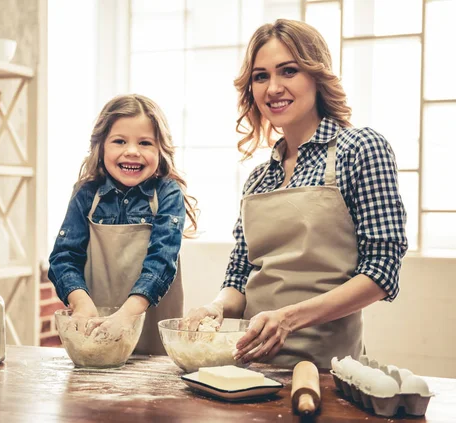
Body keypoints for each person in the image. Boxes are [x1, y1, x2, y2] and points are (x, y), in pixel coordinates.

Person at [182, 19, 408, 369]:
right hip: (253, 368)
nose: (273, 88)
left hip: (330, 370)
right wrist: (215, 307)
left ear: (316, 76)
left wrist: (287, 318)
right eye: (261, 76)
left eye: (288, 71)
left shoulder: (361, 149)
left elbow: (381, 272)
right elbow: (239, 276)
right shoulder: (258, 179)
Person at [48, 94, 198, 355]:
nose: (132, 151)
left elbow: (162, 261)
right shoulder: (85, 193)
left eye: (145, 143)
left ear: (161, 149)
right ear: (101, 146)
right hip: (95, 333)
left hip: (153, 338)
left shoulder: (167, 193)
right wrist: (81, 303)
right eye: (119, 141)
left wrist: (128, 315)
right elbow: (63, 257)